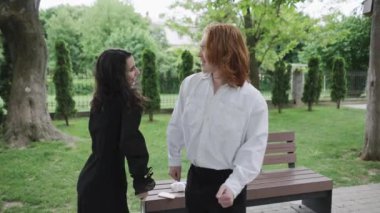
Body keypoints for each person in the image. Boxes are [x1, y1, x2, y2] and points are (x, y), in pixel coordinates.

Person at [167, 23, 268, 213]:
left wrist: (234, 185)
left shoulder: (253, 100)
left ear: (224, 51)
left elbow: (254, 149)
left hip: (228, 188)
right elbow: (177, 124)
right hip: (195, 181)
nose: (199, 53)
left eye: (205, 47)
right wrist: (174, 158)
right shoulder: (190, 85)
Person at [77, 49, 155, 213]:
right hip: (106, 186)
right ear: (117, 75)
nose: (137, 72)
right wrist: (141, 181)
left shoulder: (99, 101)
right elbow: (130, 141)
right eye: (131, 69)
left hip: (90, 181)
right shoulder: (127, 104)